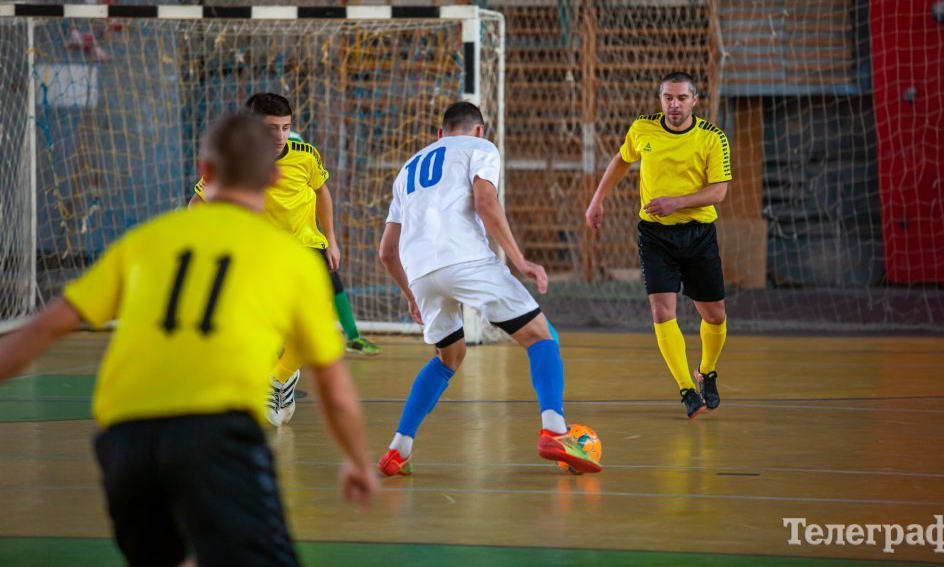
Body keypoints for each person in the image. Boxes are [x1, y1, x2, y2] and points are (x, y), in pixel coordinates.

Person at [0, 112, 377, 567]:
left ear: (204, 170)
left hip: (124, 437)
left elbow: (42, 328)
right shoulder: (290, 260)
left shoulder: (146, 241)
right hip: (214, 431)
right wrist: (357, 460)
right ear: (274, 177)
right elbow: (333, 387)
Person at [376, 101, 601, 477]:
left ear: (440, 134)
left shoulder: (407, 169)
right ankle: (554, 431)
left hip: (419, 273)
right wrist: (519, 259)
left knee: (448, 358)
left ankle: (398, 450)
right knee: (541, 335)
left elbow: (386, 251)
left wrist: (411, 294)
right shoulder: (480, 147)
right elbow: (485, 201)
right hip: (465, 260)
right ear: (479, 130)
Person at [189, 94, 381, 428]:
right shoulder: (232, 161)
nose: (280, 136)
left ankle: (278, 380)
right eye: (271, 128)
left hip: (306, 246)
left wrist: (331, 239)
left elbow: (322, 191)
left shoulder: (306, 155)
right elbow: (198, 202)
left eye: (285, 127)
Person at [585, 72, 731, 419]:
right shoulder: (643, 129)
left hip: (698, 234)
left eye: (681, 98)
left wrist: (676, 202)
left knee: (714, 315)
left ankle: (707, 371)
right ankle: (687, 390)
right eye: (668, 98)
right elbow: (622, 159)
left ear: (695, 101)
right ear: (660, 99)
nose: (674, 104)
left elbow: (719, 191)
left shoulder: (712, 138)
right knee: (662, 312)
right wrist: (597, 199)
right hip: (655, 236)